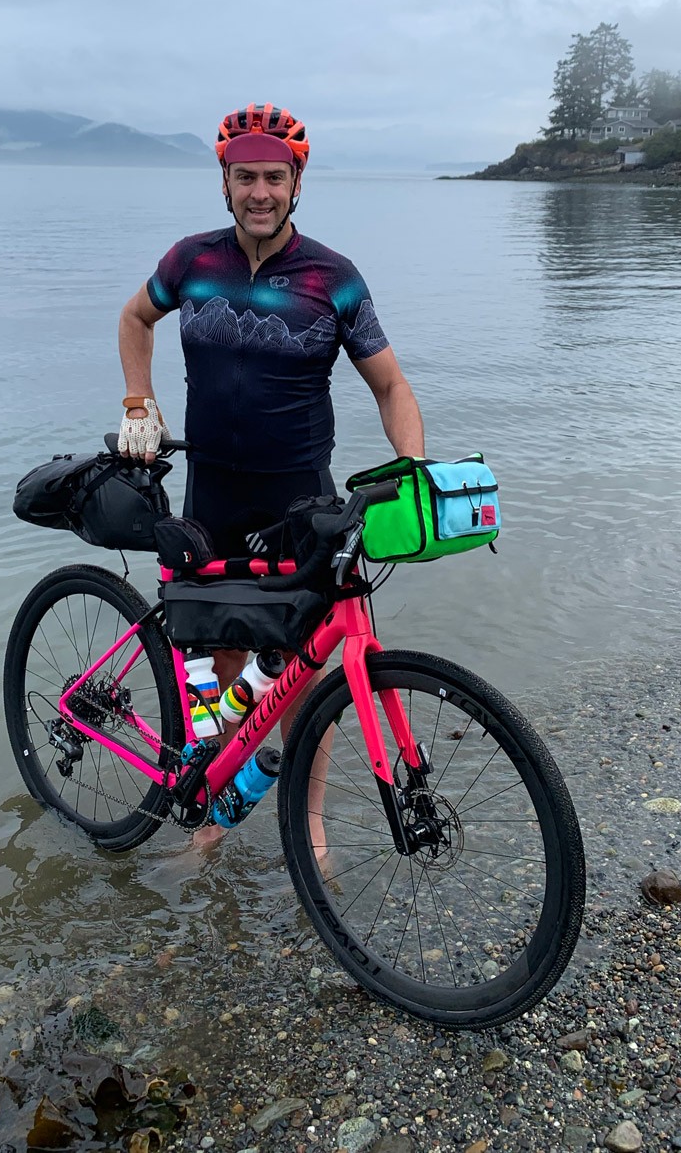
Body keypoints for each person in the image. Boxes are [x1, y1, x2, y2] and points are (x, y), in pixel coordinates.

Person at [116, 103, 425, 842]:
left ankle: (308, 827)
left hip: (298, 498)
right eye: (245, 176)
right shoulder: (190, 261)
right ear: (224, 184)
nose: (260, 191)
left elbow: (391, 387)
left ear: (296, 185)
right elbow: (134, 320)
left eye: (274, 178)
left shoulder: (334, 278)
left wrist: (411, 467)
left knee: (295, 673)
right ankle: (211, 819)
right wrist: (138, 403)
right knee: (221, 655)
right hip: (213, 488)